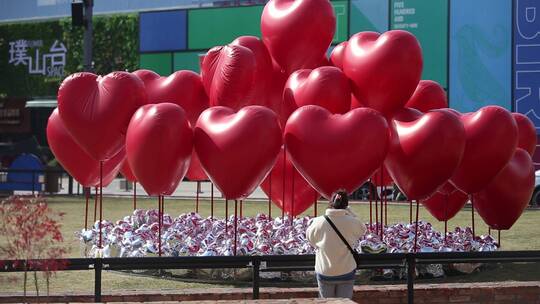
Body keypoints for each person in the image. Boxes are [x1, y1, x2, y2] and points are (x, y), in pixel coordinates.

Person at [306, 189, 366, 299]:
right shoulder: (351, 221)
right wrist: (351, 212)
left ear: (331, 203)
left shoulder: (318, 222)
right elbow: (363, 229)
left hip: (325, 271)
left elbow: (310, 239)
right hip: (346, 270)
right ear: (346, 205)